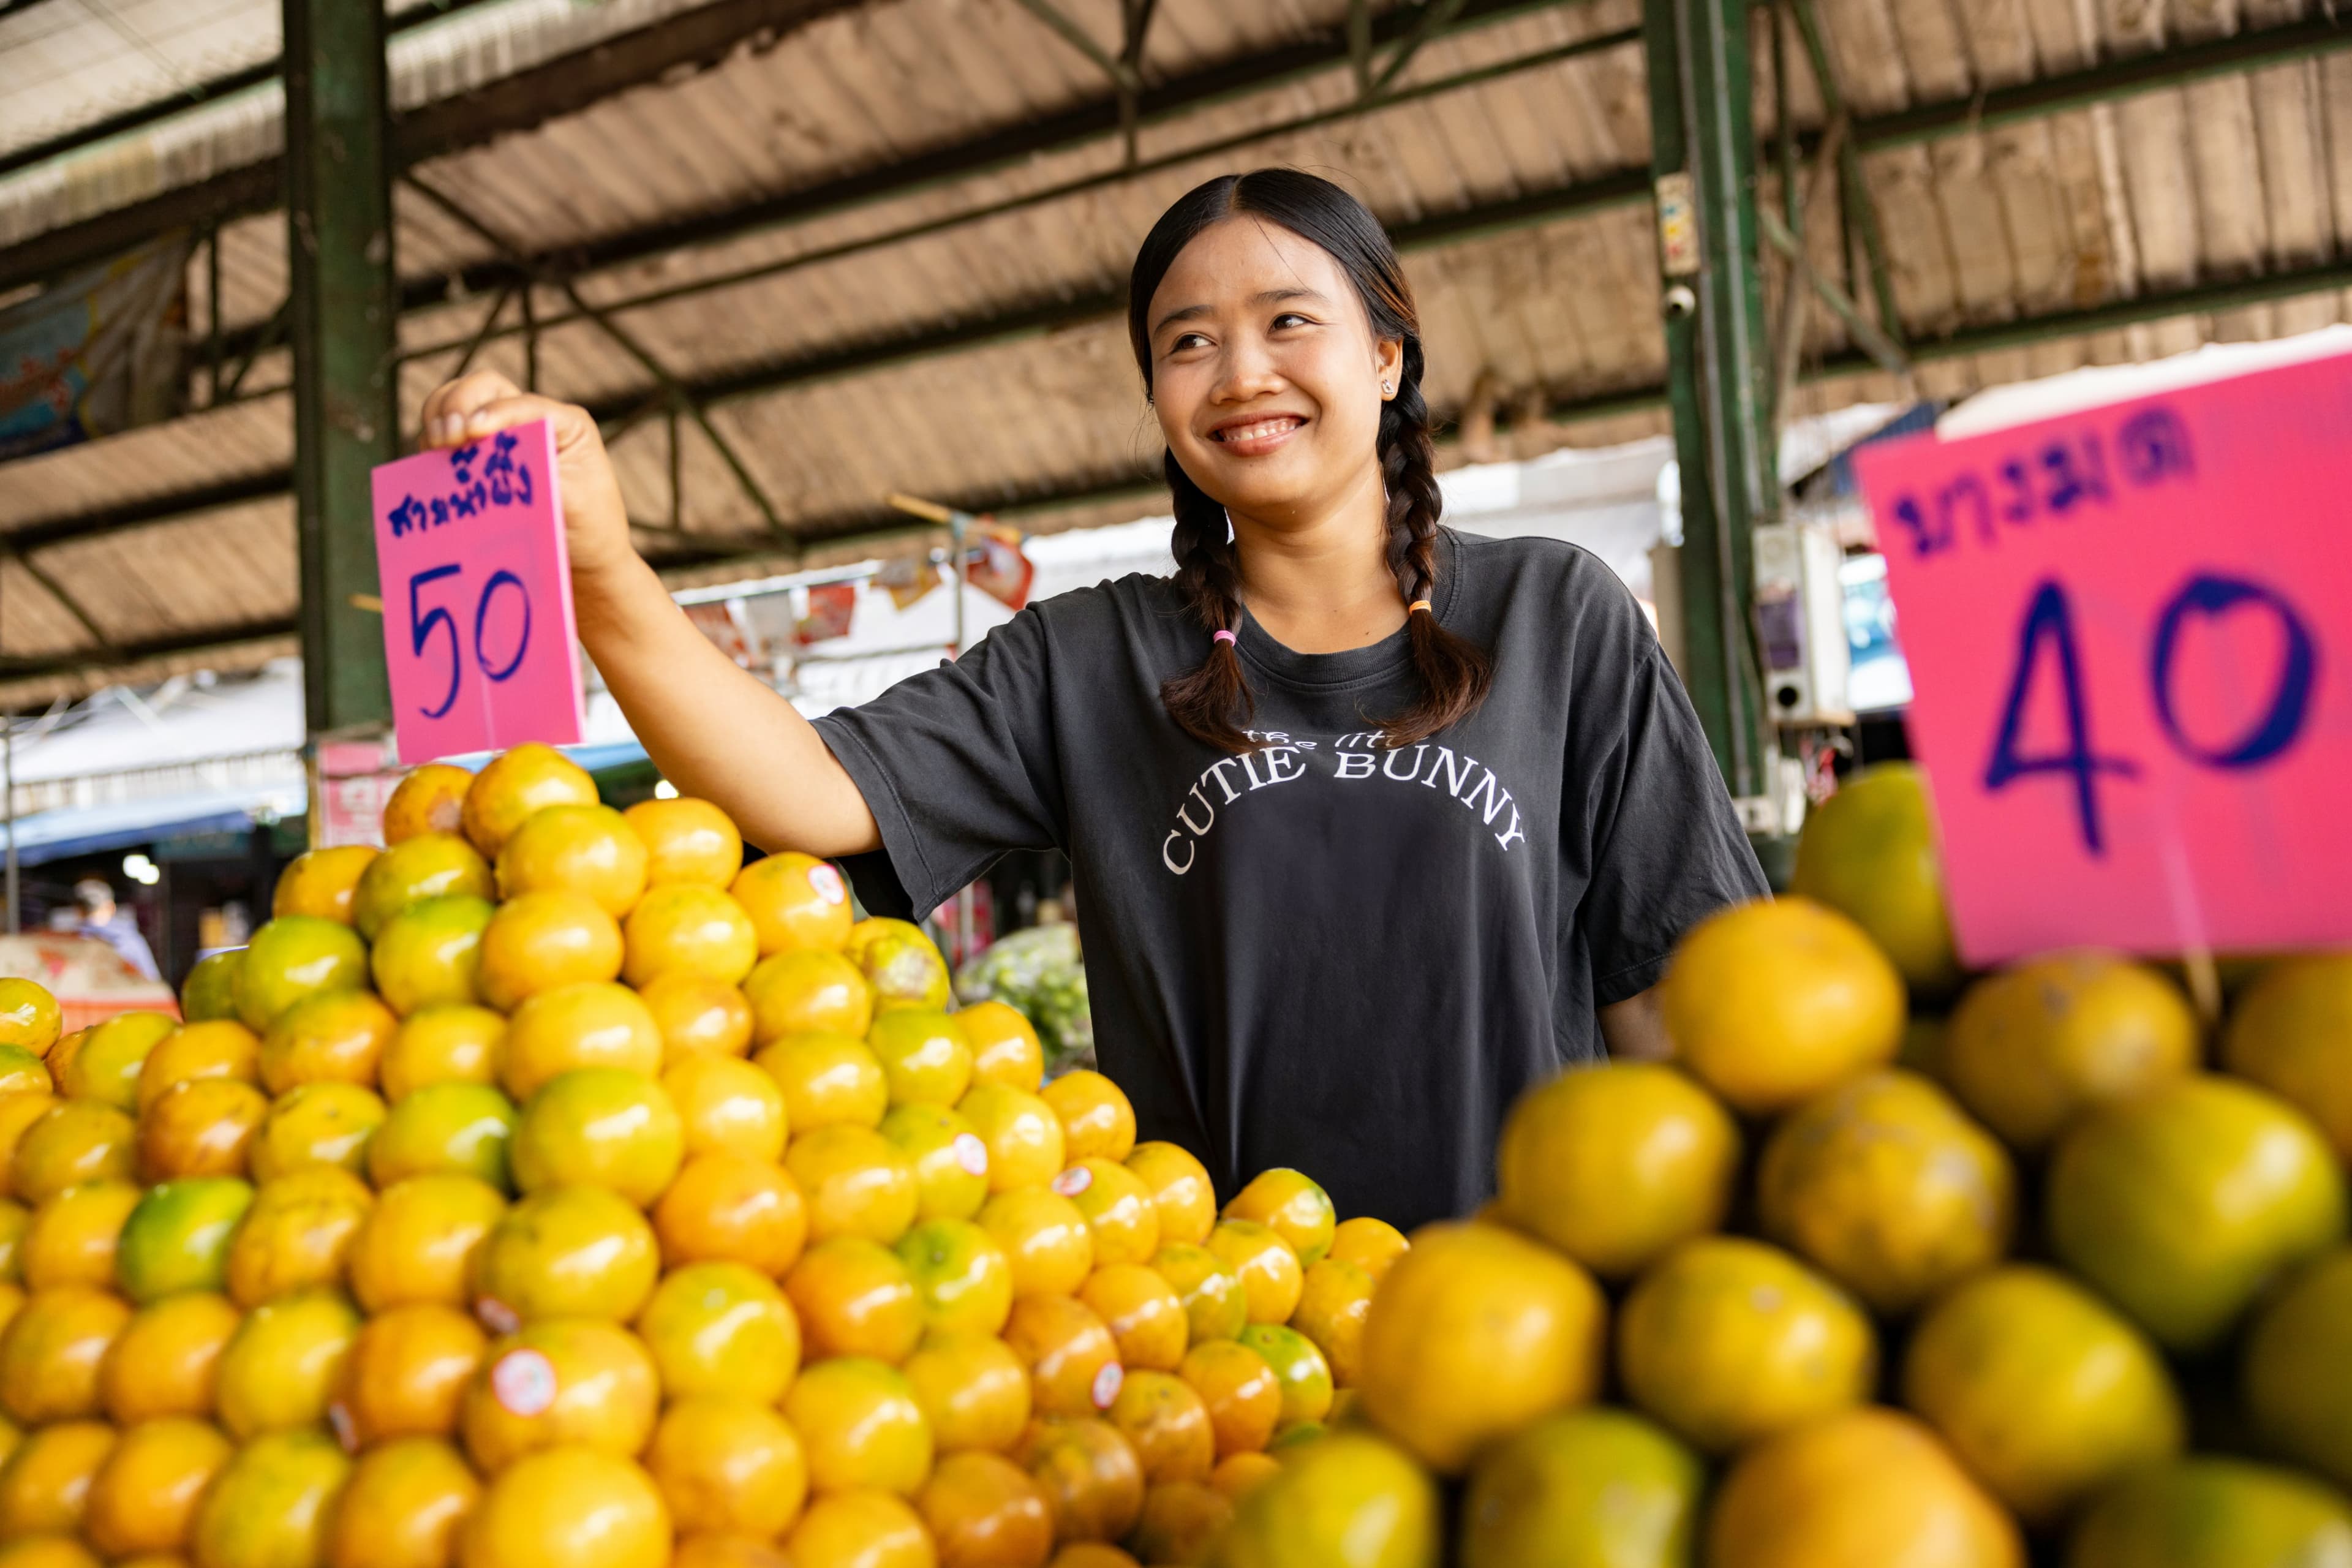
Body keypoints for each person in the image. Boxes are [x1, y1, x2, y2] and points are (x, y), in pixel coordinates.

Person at [421, 168, 1766, 1227]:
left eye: (1289, 321)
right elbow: (807, 791)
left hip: (1526, 1332)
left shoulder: (1557, 616)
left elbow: (1673, 998)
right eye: (1190, 343)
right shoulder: (1090, 658)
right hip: (1217, 1359)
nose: (1242, 373)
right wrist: (599, 567)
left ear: (1388, 356)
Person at [72, 878, 160, 982]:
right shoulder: (132, 941)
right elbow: (152, 981)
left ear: (78, 911)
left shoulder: (72, 943)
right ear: (111, 907)